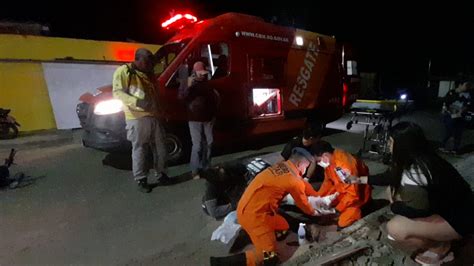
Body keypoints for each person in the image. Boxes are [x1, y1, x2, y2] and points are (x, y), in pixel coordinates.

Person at [346, 122, 474, 265]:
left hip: (461, 219)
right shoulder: (423, 157)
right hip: (456, 206)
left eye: (391, 141)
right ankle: (439, 237)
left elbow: (418, 210)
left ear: (402, 146)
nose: (388, 144)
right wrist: (360, 179)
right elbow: (390, 176)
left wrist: (394, 205)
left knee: (395, 229)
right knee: (394, 191)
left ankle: (441, 247)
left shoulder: (417, 172)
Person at [210, 148, 320, 266]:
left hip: (245, 207)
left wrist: (318, 195)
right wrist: (316, 212)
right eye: (306, 167)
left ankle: (266, 235)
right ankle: (221, 263)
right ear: (299, 164)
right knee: (270, 255)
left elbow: (303, 184)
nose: (305, 170)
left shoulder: (280, 167)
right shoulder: (293, 180)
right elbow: (304, 205)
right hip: (255, 217)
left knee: (283, 222)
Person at [112, 48, 170, 193]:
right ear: (138, 59)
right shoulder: (124, 71)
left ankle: (161, 174)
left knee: (161, 148)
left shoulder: (149, 74)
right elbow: (117, 93)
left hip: (154, 116)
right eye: (147, 62)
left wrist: (161, 111)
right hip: (136, 117)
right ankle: (141, 179)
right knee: (140, 149)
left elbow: (156, 95)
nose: (150, 65)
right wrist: (136, 102)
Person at [311, 141, 372, 228]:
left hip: (358, 197)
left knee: (343, 222)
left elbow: (353, 194)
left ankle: (362, 210)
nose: (318, 164)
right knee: (322, 204)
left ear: (325, 155)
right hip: (342, 191)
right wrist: (318, 198)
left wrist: (337, 210)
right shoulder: (330, 162)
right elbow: (327, 182)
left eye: (318, 161)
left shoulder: (343, 165)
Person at [184, 61, 220, 179]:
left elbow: (214, 98)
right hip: (194, 118)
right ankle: (195, 170)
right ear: (195, 73)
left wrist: (214, 114)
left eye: (204, 73)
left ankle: (206, 166)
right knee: (197, 145)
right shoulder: (190, 83)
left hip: (208, 118)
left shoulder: (207, 84)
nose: (203, 75)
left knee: (209, 143)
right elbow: (181, 97)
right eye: (200, 73)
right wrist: (188, 86)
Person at [440, 81, 472, 154]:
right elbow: (445, 103)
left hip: (460, 117)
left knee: (458, 133)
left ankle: (455, 149)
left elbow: (467, 105)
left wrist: (462, 112)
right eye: (466, 85)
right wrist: (445, 111)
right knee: (449, 132)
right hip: (450, 116)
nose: (468, 87)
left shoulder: (468, 95)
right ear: (460, 85)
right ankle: (443, 146)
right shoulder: (451, 93)